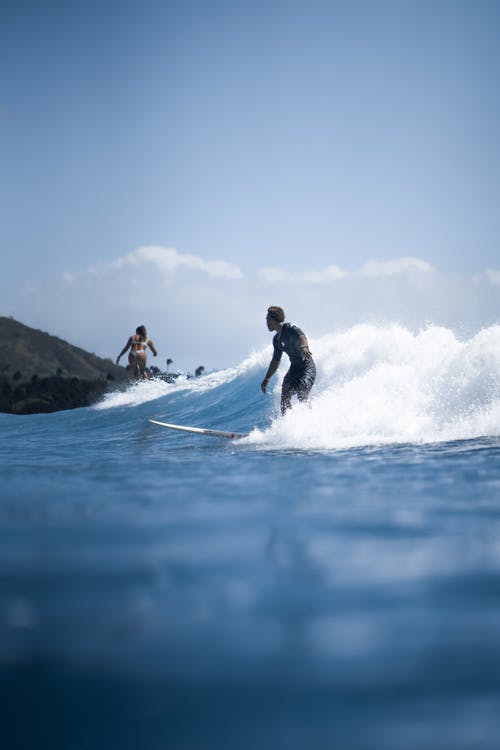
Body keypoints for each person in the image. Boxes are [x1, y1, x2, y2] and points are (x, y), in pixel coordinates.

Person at [261, 306, 316, 414]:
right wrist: (266, 379)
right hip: (294, 369)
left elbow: (302, 336)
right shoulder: (276, 340)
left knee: (302, 393)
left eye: (267, 320)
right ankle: (288, 424)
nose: (266, 323)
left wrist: (304, 346)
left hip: (307, 367)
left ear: (272, 320)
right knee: (285, 398)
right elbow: (275, 361)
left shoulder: (290, 328)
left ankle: (310, 418)